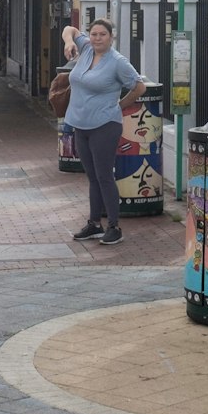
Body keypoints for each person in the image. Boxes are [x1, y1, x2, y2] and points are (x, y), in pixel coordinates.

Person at [61, 19, 146, 246]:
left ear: (111, 37)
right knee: (91, 177)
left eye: (102, 35)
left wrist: (119, 105)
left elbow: (139, 86)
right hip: (81, 124)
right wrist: (69, 41)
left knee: (104, 176)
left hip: (105, 126)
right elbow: (69, 29)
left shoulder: (118, 62)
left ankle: (114, 227)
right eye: (94, 34)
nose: (97, 38)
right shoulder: (86, 48)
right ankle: (94, 224)